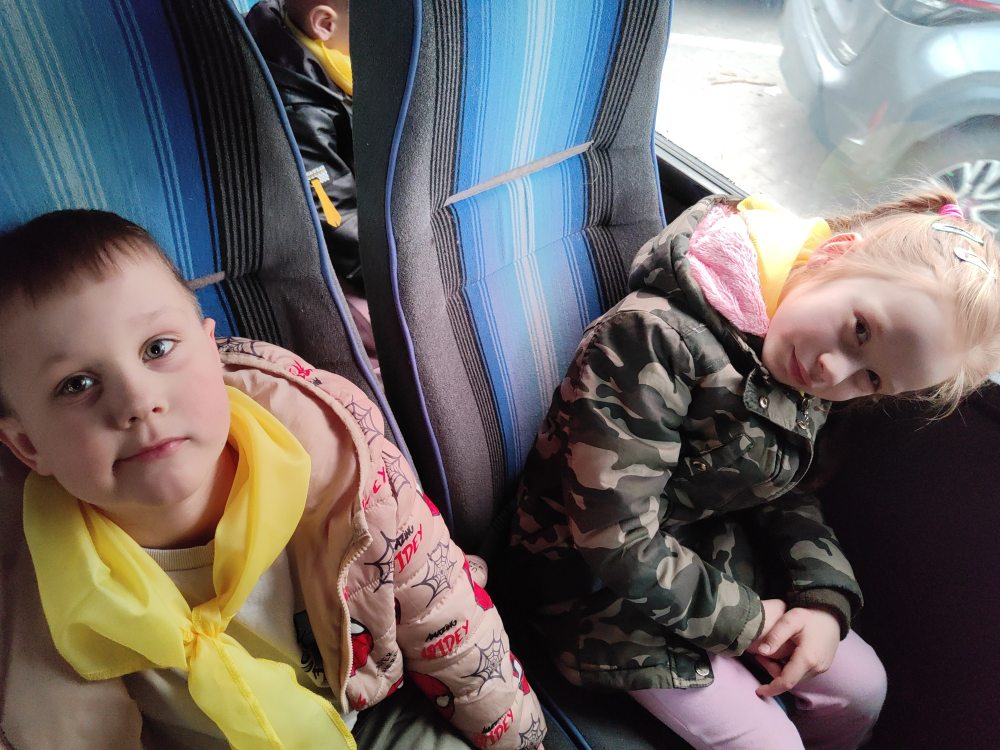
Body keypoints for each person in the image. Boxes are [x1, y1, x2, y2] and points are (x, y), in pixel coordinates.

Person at [0, 210, 546, 750]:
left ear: (211, 351)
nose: (138, 402)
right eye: (77, 384)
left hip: (365, 711)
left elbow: (443, 610)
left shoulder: (339, 466)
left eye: (157, 348)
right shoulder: (35, 588)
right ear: (27, 445)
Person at [509, 188, 1000, 750]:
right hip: (591, 585)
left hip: (702, 548)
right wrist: (747, 621)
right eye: (859, 329)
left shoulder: (797, 353)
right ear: (832, 255)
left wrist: (823, 597)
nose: (833, 371)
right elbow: (615, 534)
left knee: (861, 687)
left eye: (871, 380)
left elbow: (780, 486)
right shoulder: (655, 338)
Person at [244, 0, 379, 373]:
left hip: (359, 221)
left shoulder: (325, 55)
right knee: (389, 331)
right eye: (380, 27)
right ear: (324, 24)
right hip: (332, 253)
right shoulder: (298, 105)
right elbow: (330, 211)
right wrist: (384, 273)